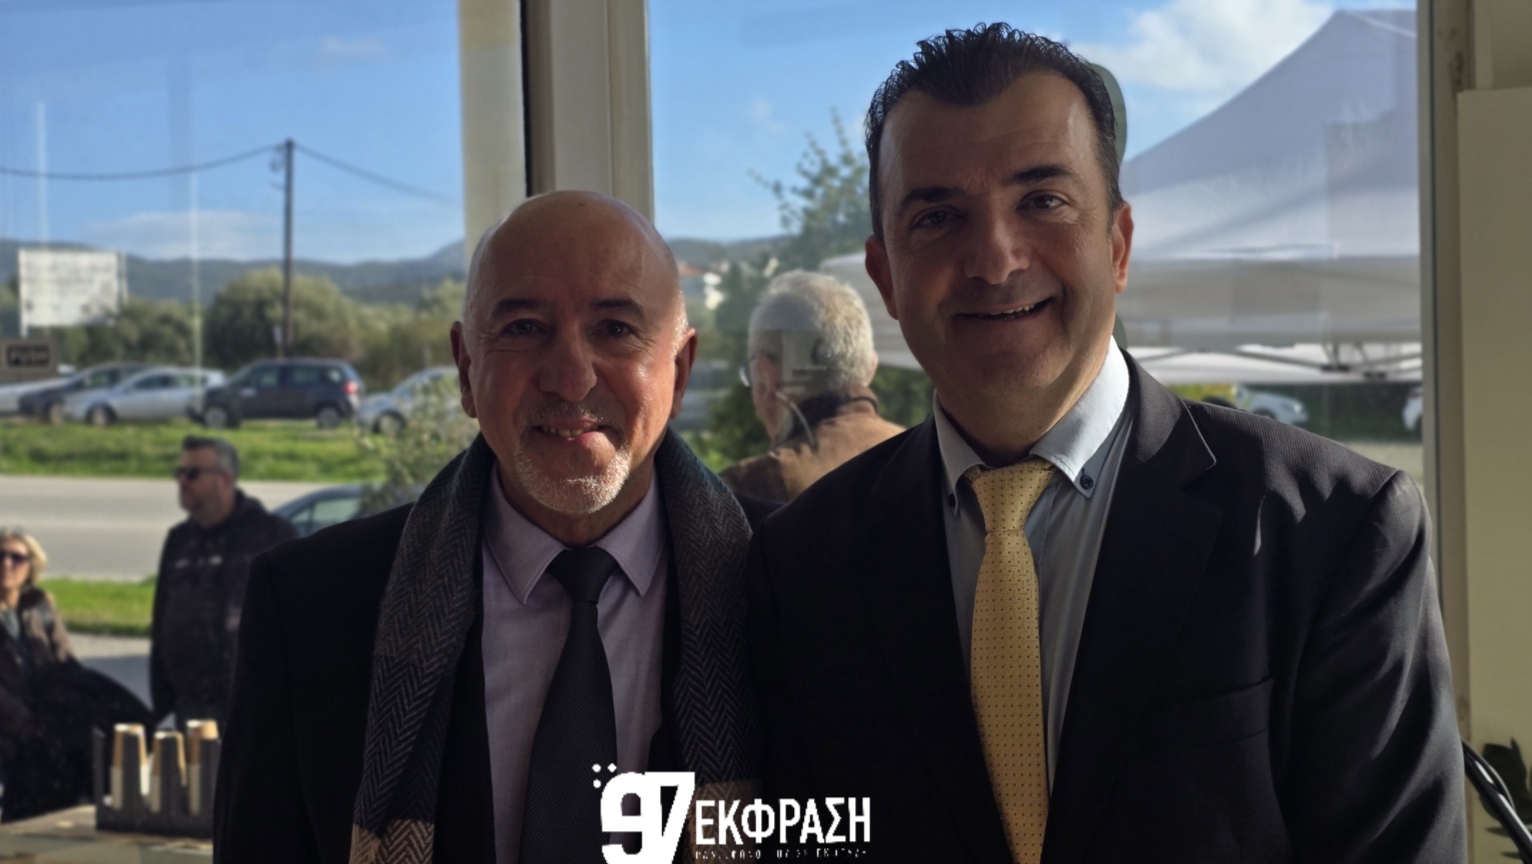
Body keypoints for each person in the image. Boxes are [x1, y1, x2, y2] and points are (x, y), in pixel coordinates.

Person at [746, 24, 1464, 863]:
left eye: (1042, 201)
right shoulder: (799, 565)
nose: (994, 259)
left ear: (1117, 246)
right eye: (937, 217)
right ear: (884, 280)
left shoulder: (1333, 532)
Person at [215, 191, 772, 864]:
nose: (570, 378)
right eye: (524, 328)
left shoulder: (795, 586)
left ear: (678, 372)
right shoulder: (308, 607)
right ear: (465, 369)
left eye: (615, 329)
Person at [0, 528, 149, 823]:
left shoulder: (39, 606)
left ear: (30, 566)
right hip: (10, 729)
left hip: (46, 723)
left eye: (16, 558)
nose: (6, 564)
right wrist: (25, 725)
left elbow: (66, 664)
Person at [150, 436, 297, 728]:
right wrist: (162, 704)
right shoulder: (179, 540)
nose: (182, 481)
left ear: (225, 479)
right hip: (191, 707)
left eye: (193, 474)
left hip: (254, 708)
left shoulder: (271, 536)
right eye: (179, 473)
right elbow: (160, 619)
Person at [721, 271, 905, 502]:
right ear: (871, 367)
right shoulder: (929, 456)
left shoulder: (748, 489)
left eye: (753, 374)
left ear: (766, 374)